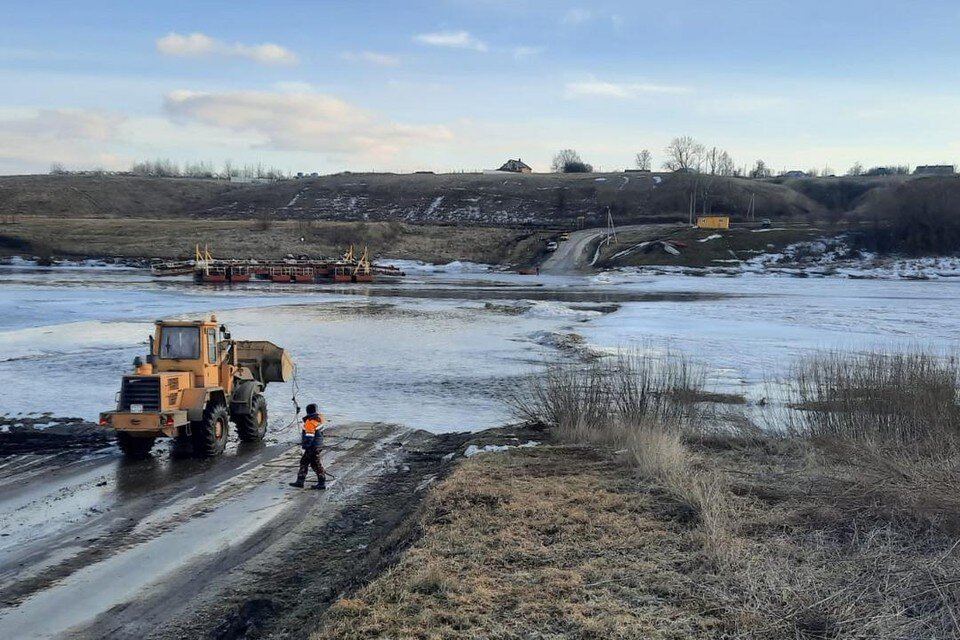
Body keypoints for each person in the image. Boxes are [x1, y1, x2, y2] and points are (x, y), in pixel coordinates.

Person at [289, 403, 327, 490]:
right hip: (318, 445)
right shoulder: (320, 419)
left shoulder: (310, 423)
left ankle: (302, 482)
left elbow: (310, 437)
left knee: (307, 462)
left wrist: (305, 446)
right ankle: (318, 482)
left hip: (312, 447)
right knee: (313, 463)